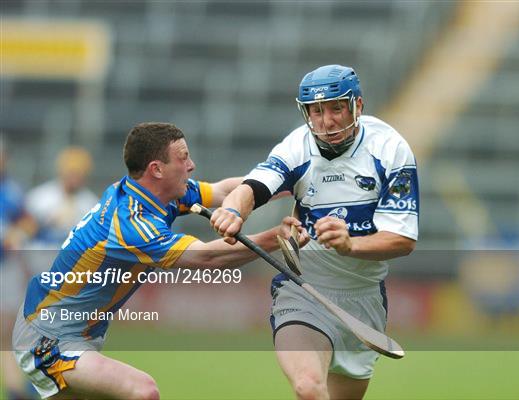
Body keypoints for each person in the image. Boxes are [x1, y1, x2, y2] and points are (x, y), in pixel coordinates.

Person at [12, 122, 308, 400]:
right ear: (156, 169)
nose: (191, 165)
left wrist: (289, 182)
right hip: (50, 337)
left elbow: (222, 190)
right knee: (143, 390)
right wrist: (274, 237)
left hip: (80, 334)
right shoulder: (131, 224)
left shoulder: (158, 194)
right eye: (183, 158)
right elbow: (207, 258)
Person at [210, 65, 419, 399]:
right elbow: (254, 186)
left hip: (363, 300)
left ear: (358, 106)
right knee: (309, 387)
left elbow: (403, 240)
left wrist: (350, 245)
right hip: (303, 291)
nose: (327, 121)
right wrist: (234, 211)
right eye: (317, 111)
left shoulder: (390, 150)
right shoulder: (297, 146)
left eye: (337, 108)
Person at [0, 137, 39, 400]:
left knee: (6, 333)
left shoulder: (12, 190)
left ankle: (15, 388)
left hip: (5, 269)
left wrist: (17, 233)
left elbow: (28, 222)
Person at [25, 146, 98, 249]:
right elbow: (24, 230)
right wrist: (46, 221)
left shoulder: (91, 203)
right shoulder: (40, 196)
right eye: (71, 173)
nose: (74, 179)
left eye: (79, 174)